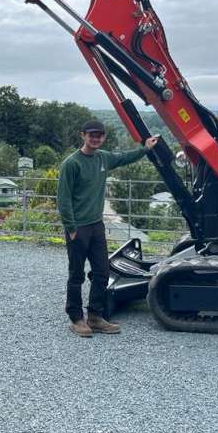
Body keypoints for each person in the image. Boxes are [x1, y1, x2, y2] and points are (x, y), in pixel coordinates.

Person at [57, 119, 158, 337]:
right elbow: (63, 199)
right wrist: (71, 227)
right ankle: (76, 319)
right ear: (82, 135)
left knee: (102, 273)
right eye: (91, 135)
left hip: (96, 226)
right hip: (78, 228)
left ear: (103, 137)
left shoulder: (103, 158)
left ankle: (95, 316)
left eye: (99, 135)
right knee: (76, 275)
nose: (95, 138)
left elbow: (124, 157)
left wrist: (145, 149)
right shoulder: (71, 164)